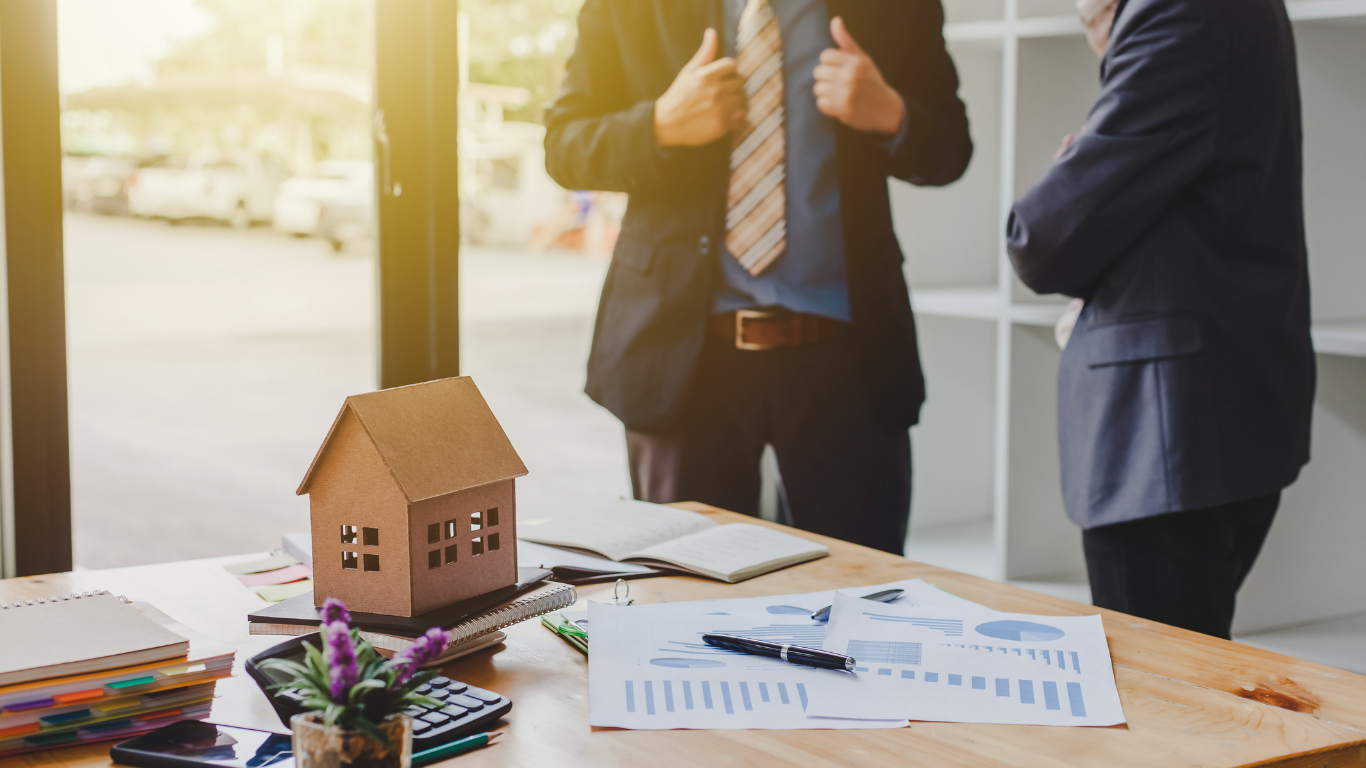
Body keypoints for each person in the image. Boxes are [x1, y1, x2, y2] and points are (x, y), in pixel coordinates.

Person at [545, 0, 972, 554]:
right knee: (686, 603)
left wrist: (891, 113)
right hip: (683, 359)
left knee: (862, 603)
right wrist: (659, 125)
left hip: (847, 361)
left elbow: (950, 147)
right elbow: (563, 145)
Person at [1006, 0, 1315, 638]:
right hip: (1215, 419)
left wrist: (1077, 164)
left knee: (1160, 708)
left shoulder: (1178, 12)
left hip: (1168, 441)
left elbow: (1040, 238)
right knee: (1190, 689)